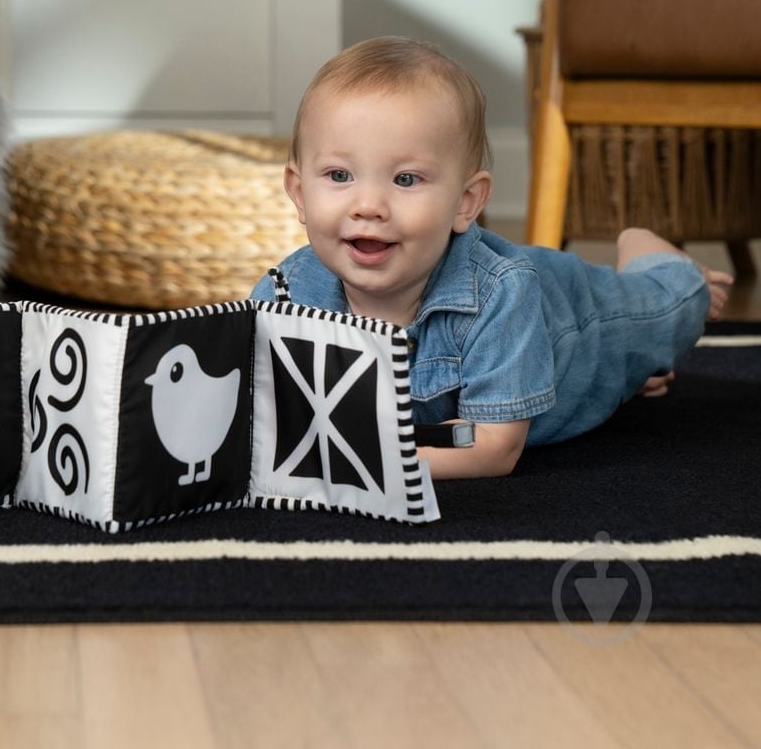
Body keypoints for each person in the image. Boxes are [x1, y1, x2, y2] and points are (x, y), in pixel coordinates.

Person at [251, 37, 733, 479]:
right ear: (299, 192)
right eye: (339, 176)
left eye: (405, 179)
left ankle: (648, 248)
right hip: (519, 293)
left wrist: (357, 460)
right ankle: (630, 375)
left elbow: (493, 448)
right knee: (632, 371)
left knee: (669, 308)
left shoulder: (499, 297)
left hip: (578, 318)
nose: (368, 206)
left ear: (466, 203)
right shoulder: (282, 294)